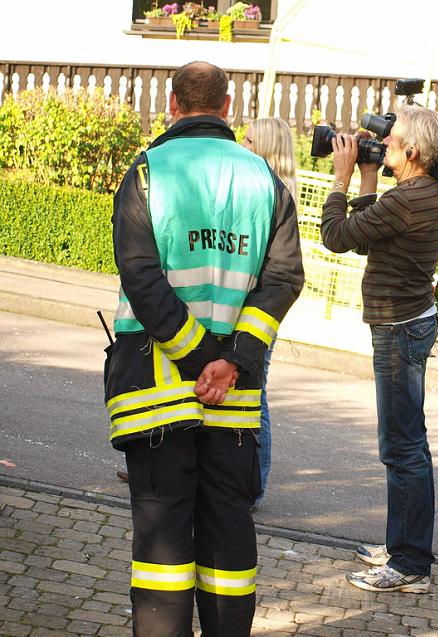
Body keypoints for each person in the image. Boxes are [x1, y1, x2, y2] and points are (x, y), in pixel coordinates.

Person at [105, 61, 304, 636]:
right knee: (229, 538)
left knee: (162, 539)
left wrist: (195, 359)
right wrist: (233, 359)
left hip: (157, 393)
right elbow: (284, 278)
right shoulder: (265, 180)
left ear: (172, 104)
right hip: (233, 401)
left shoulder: (147, 172)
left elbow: (140, 277)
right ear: (227, 105)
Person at [321, 104, 438, 593]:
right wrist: (368, 178)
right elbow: (365, 239)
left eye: (391, 139)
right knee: (405, 443)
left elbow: (336, 238)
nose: (382, 143)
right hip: (406, 324)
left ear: (413, 152)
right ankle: (403, 545)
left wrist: (340, 178)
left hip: (399, 330)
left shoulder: (410, 199)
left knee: (402, 448)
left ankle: (409, 563)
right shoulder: (418, 193)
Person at [242, 116, 298, 507]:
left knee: (254, 393)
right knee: (250, 390)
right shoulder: (274, 190)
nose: (240, 144)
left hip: (257, 306)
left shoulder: (271, 194)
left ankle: (255, 485)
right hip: (260, 306)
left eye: (247, 138)